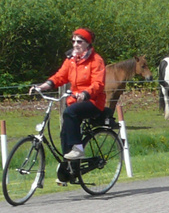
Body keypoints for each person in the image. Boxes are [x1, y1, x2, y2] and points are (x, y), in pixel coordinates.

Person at [29, 29, 109, 176]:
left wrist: (85, 93)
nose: (75, 44)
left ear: (87, 44)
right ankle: (69, 170)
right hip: (74, 101)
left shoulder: (96, 60)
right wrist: (43, 86)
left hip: (93, 101)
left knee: (69, 112)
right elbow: (60, 76)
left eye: (79, 41)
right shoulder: (71, 60)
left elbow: (99, 84)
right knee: (65, 133)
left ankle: (78, 149)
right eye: (73, 41)